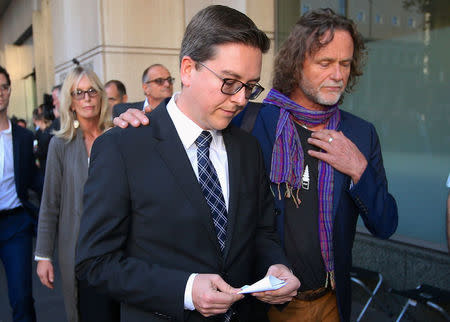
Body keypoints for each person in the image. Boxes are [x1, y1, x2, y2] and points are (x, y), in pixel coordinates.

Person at [114, 8, 399, 322]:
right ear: (297, 62)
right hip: (263, 307)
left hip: (332, 301)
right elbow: (189, 120)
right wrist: (138, 123)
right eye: (325, 63)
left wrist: (359, 170)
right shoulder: (253, 120)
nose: (338, 75)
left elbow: (385, 224)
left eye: (345, 64)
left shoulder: (360, 134)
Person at [76, 5, 300, 322]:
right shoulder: (122, 147)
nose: (241, 99)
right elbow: (95, 262)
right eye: (230, 81)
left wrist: (276, 267)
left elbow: (262, 233)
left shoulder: (248, 148)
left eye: (250, 86)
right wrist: (185, 290)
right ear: (187, 70)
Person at [34, 66, 120, 322]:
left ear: (100, 95)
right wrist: (44, 256)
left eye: (91, 91)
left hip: (119, 248)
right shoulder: (60, 144)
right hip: (81, 251)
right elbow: (50, 204)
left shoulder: (117, 136)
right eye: (78, 93)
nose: (86, 98)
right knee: (88, 312)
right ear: (70, 102)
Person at [0, 65, 42, 322]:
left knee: (22, 297)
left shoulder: (23, 137)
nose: (0, 93)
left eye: (3, 87)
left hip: (16, 224)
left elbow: (36, 180)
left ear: (9, 91)